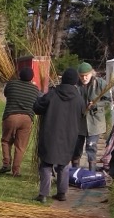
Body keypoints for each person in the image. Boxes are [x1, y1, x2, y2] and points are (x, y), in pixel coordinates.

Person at [32, 67, 84, 202]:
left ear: (63, 79)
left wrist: (39, 98)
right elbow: (82, 113)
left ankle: (43, 194)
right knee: (64, 164)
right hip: (69, 136)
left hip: (50, 132)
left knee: (46, 163)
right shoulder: (78, 98)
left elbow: (37, 108)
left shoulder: (52, 94)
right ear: (75, 81)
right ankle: (62, 193)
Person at [0, 66, 40, 177]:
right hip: (27, 119)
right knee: (20, 145)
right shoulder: (35, 89)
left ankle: (6, 163)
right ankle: (16, 171)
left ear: (20, 75)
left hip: (10, 116)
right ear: (32, 78)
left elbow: (6, 94)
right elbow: (38, 102)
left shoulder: (12, 84)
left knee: (6, 141)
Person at [72, 61, 112, 171]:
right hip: (78, 122)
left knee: (91, 146)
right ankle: (74, 171)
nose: (84, 78)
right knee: (76, 147)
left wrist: (96, 105)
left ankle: (92, 172)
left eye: (86, 75)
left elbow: (108, 101)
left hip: (95, 122)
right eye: (81, 76)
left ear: (91, 73)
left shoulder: (100, 83)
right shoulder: (75, 84)